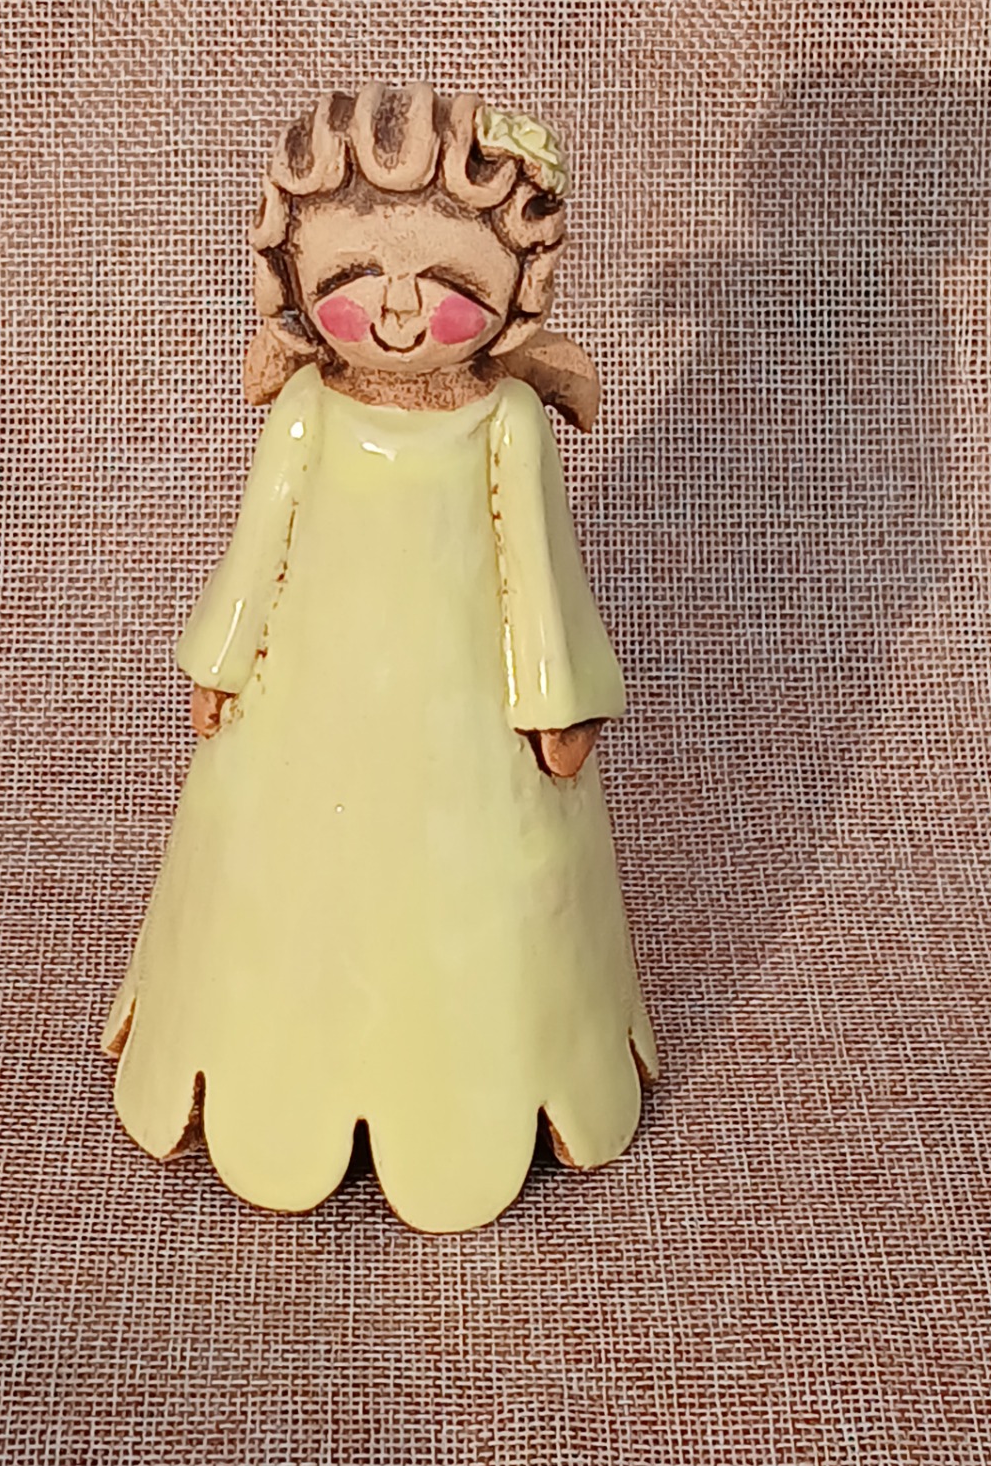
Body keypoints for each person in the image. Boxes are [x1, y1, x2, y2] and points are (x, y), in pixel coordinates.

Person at [100, 82, 657, 1233]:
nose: (398, 309)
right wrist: (222, 660)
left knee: (470, 897)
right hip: (303, 720)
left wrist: (556, 699)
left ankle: (489, 1083)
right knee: (283, 885)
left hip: (464, 744)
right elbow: (258, 550)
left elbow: (539, 573)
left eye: (446, 283)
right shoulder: (305, 412)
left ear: (514, 292)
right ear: (294, 280)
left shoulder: (505, 424)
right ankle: (262, 1068)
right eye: (355, 275)